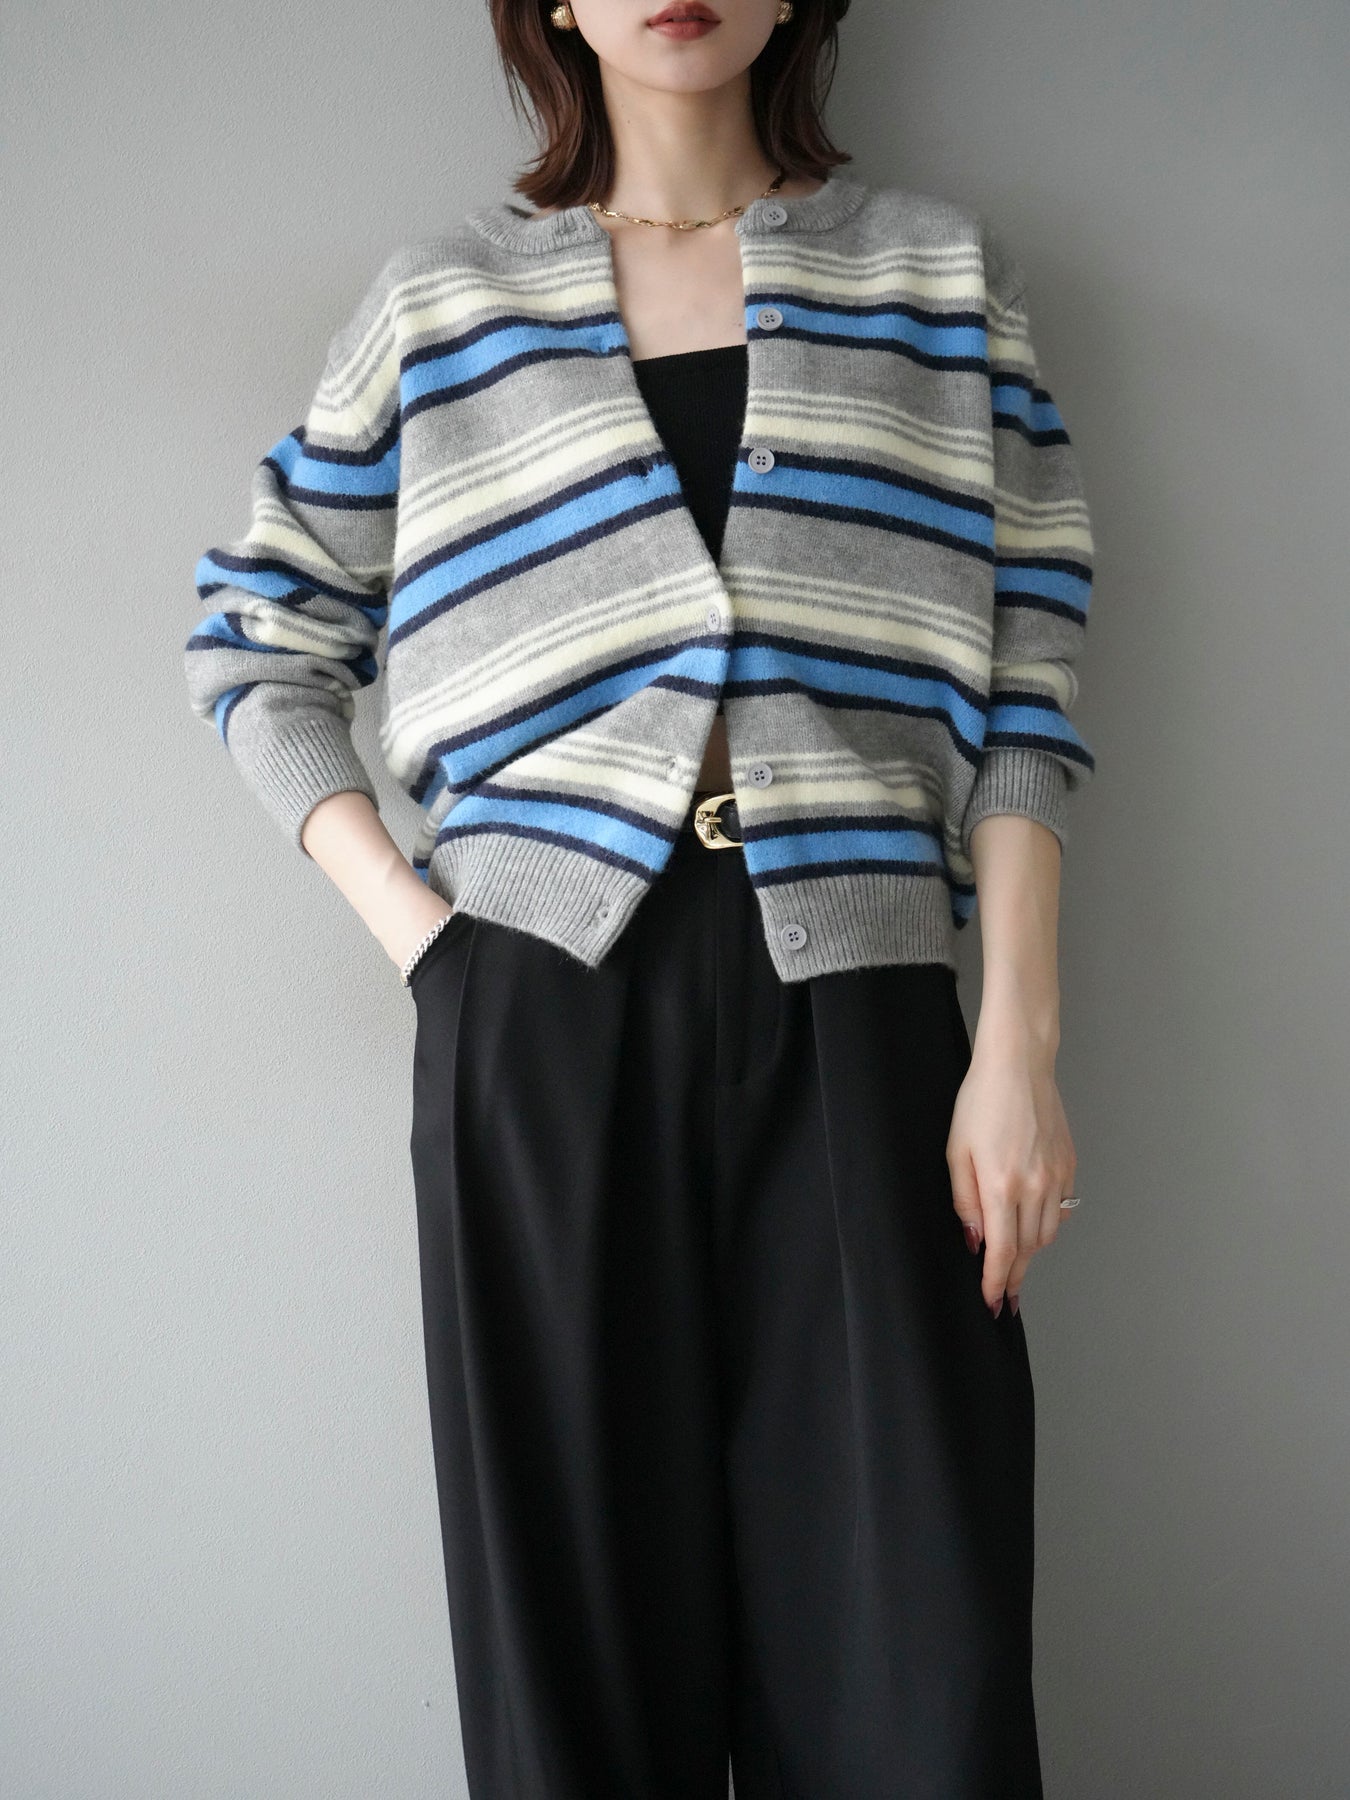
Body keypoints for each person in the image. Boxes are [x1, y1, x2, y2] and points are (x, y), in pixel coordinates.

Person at [184, 1, 1097, 1792]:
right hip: (542, 1011)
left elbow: (1027, 683)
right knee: (578, 1667)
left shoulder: (934, 278)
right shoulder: (440, 306)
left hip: (867, 1017)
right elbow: (256, 642)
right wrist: (435, 951)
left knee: (918, 1663)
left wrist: (1017, 1044)